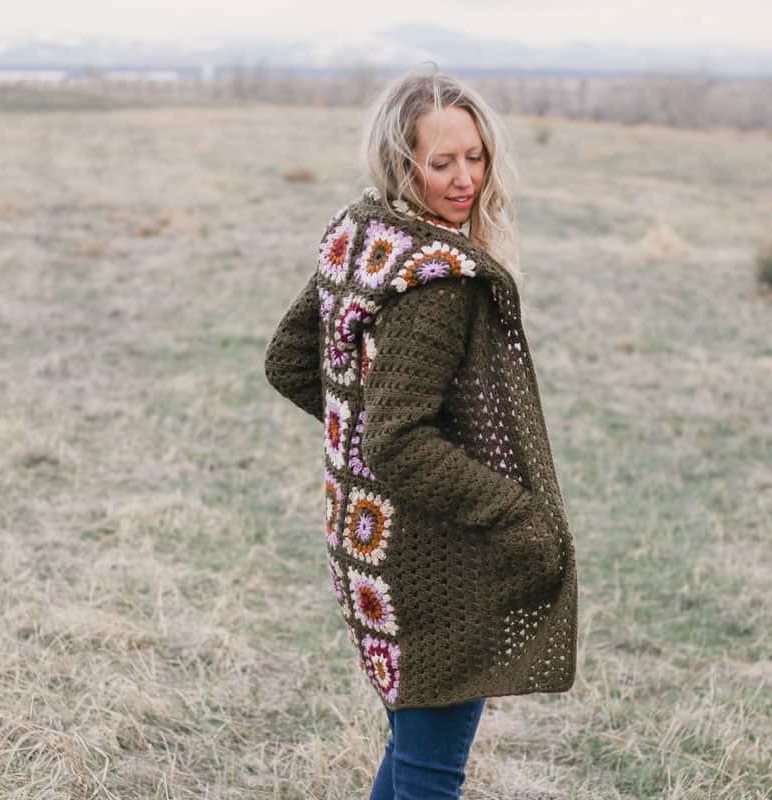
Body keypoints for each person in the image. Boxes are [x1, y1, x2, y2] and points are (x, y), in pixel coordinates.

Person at [264, 66, 577, 800]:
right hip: (426, 562)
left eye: (475, 156)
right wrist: (514, 512)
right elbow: (399, 441)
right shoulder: (437, 277)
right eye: (442, 163)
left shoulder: (362, 232)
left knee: (413, 757)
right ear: (401, 166)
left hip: (365, 546)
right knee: (430, 775)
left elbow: (291, 363)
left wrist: (364, 439)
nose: (464, 178)